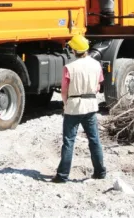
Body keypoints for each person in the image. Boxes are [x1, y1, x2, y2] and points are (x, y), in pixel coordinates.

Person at [52, 34, 106, 183]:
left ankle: (62, 176)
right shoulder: (96, 65)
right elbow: (97, 86)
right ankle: (100, 172)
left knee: (69, 141)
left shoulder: (69, 67)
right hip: (90, 106)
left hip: (73, 107)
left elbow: (64, 91)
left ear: (75, 51)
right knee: (94, 140)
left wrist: (65, 103)